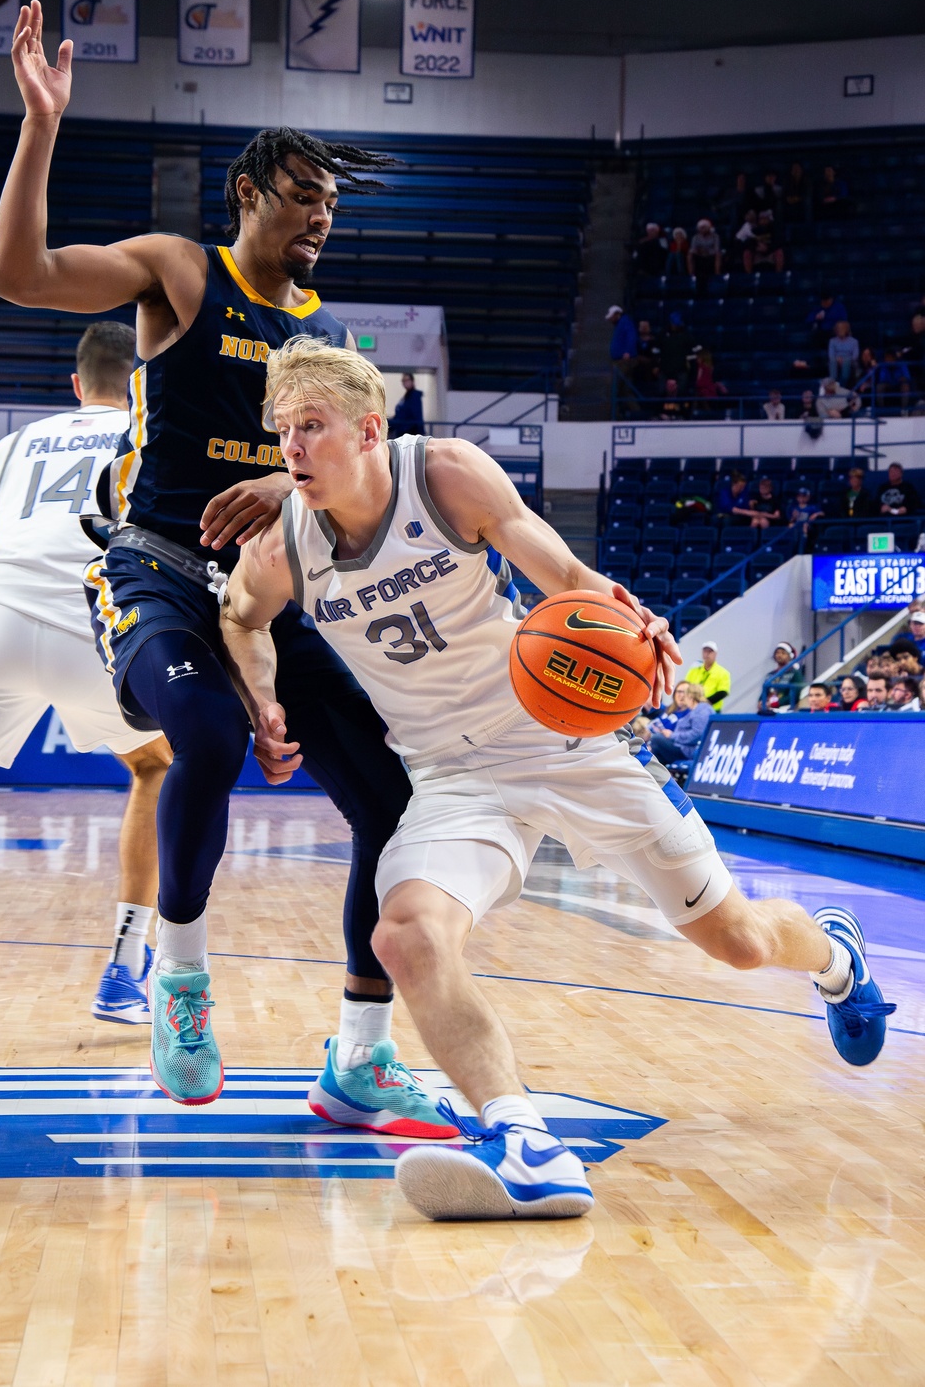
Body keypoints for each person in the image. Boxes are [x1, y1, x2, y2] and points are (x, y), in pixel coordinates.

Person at [220, 336, 894, 1222]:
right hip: (452, 773)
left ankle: (836, 959)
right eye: (282, 432)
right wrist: (262, 701)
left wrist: (630, 616)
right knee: (408, 937)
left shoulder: (446, 475)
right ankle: (522, 1141)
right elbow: (240, 619)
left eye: (311, 426)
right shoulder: (285, 551)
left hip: (560, 737)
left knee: (738, 943)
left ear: (370, 430)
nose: (293, 449)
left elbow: (564, 575)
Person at [0, 0, 454, 1134]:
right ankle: (181, 988)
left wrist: (295, 486)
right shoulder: (179, 274)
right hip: (151, 574)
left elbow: (357, 483)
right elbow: (19, 276)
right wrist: (41, 126)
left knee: (390, 796)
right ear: (249, 194)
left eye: (332, 205)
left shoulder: (325, 338)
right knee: (205, 739)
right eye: (304, 197)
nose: (321, 219)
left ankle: (358, 1054)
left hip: (275, 593)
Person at [0, 323, 172, 1023]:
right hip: (93, 621)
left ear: (75, 384)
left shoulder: (16, 442)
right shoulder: (149, 433)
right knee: (158, 767)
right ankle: (126, 969)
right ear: (137, 381)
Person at [648, 683, 712, 766]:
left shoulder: (701, 711)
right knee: (656, 748)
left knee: (656, 739)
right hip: (683, 747)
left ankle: (658, 774)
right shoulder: (697, 710)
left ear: (690, 696)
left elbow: (697, 734)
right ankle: (658, 774)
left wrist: (672, 736)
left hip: (687, 751)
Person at [684, 640, 732, 711]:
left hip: (712, 709)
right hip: (692, 708)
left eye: (710, 651)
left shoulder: (723, 673)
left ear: (715, 654)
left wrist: (703, 702)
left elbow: (723, 692)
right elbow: (685, 687)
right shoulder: (693, 670)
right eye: (705, 651)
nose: (707, 654)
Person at [759, 641, 802, 712]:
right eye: (777, 653)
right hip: (769, 710)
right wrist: (761, 702)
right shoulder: (770, 675)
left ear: (790, 656)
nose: (779, 655)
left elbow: (795, 694)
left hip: (786, 710)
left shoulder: (795, 673)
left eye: (783, 653)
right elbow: (764, 691)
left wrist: (776, 704)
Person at [688, 219, 721, 290]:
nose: (702, 229)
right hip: (699, 256)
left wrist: (707, 251)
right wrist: (700, 251)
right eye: (700, 228)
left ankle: (717, 274)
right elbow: (693, 249)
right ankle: (691, 275)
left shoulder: (715, 236)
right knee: (690, 255)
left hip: (711, 256)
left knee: (718, 254)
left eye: (704, 227)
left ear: (708, 228)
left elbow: (716, 249)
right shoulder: (695, 237)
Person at [828, 321, 860, 387]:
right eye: (838, 328)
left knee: (846, 361)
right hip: (836, 360)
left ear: (846, 329)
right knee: (832, 361)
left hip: (850, 361)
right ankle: (833, 382)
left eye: (842, 328)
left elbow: (855, 356)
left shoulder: (854, 341)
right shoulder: (832, 341)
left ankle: (842, 384)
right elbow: (831, 355)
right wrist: (837, 359)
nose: (840, 330)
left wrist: (845, 359)